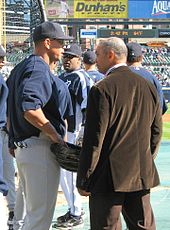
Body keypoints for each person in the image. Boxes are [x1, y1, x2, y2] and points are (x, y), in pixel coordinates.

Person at [76, 37, 162, 230]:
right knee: (143, 226)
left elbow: (94, 139)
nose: (95, 59)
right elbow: (156, 131)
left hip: (108, 177)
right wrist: (147, 158)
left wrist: (84, 177)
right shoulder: (147, 85)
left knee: (107, 225)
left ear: (110, 55)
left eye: (98, 54)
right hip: (140, 172)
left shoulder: (102, 89)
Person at [6, 21, 73, 230]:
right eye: (60, 43)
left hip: (25, 147)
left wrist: (12, 140)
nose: (64, 48)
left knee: (32, 217)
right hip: (39, 148)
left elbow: (10, 112)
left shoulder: (21, 67)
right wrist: (55, 136)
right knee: (39, 220)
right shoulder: (38, 67)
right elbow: (30, 108)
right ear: (46, 42)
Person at [53, 43, 93, 229]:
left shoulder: (80, 78)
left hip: (74, 131)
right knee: (64, 174)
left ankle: (76, 213)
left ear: (79, 59)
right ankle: (73, 208)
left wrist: (82, 134)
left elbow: (88, 107)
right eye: (65, 56)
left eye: (71, 56)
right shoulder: (62, 76)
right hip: (62, 131)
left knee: (70, 173)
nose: (67, 59)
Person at [126, 42, 168, 115]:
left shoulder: (117, 76)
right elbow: (160, 108)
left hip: (124, 123)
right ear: (141, 58)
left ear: (124, 58)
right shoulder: (152, 78)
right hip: (146, 123)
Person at [0, 44, 16, 230]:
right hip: (4, 131)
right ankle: (12, 211)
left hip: (3, 131)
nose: (2, 61)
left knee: (7, 174)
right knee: (7, 173)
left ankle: (12, 210)